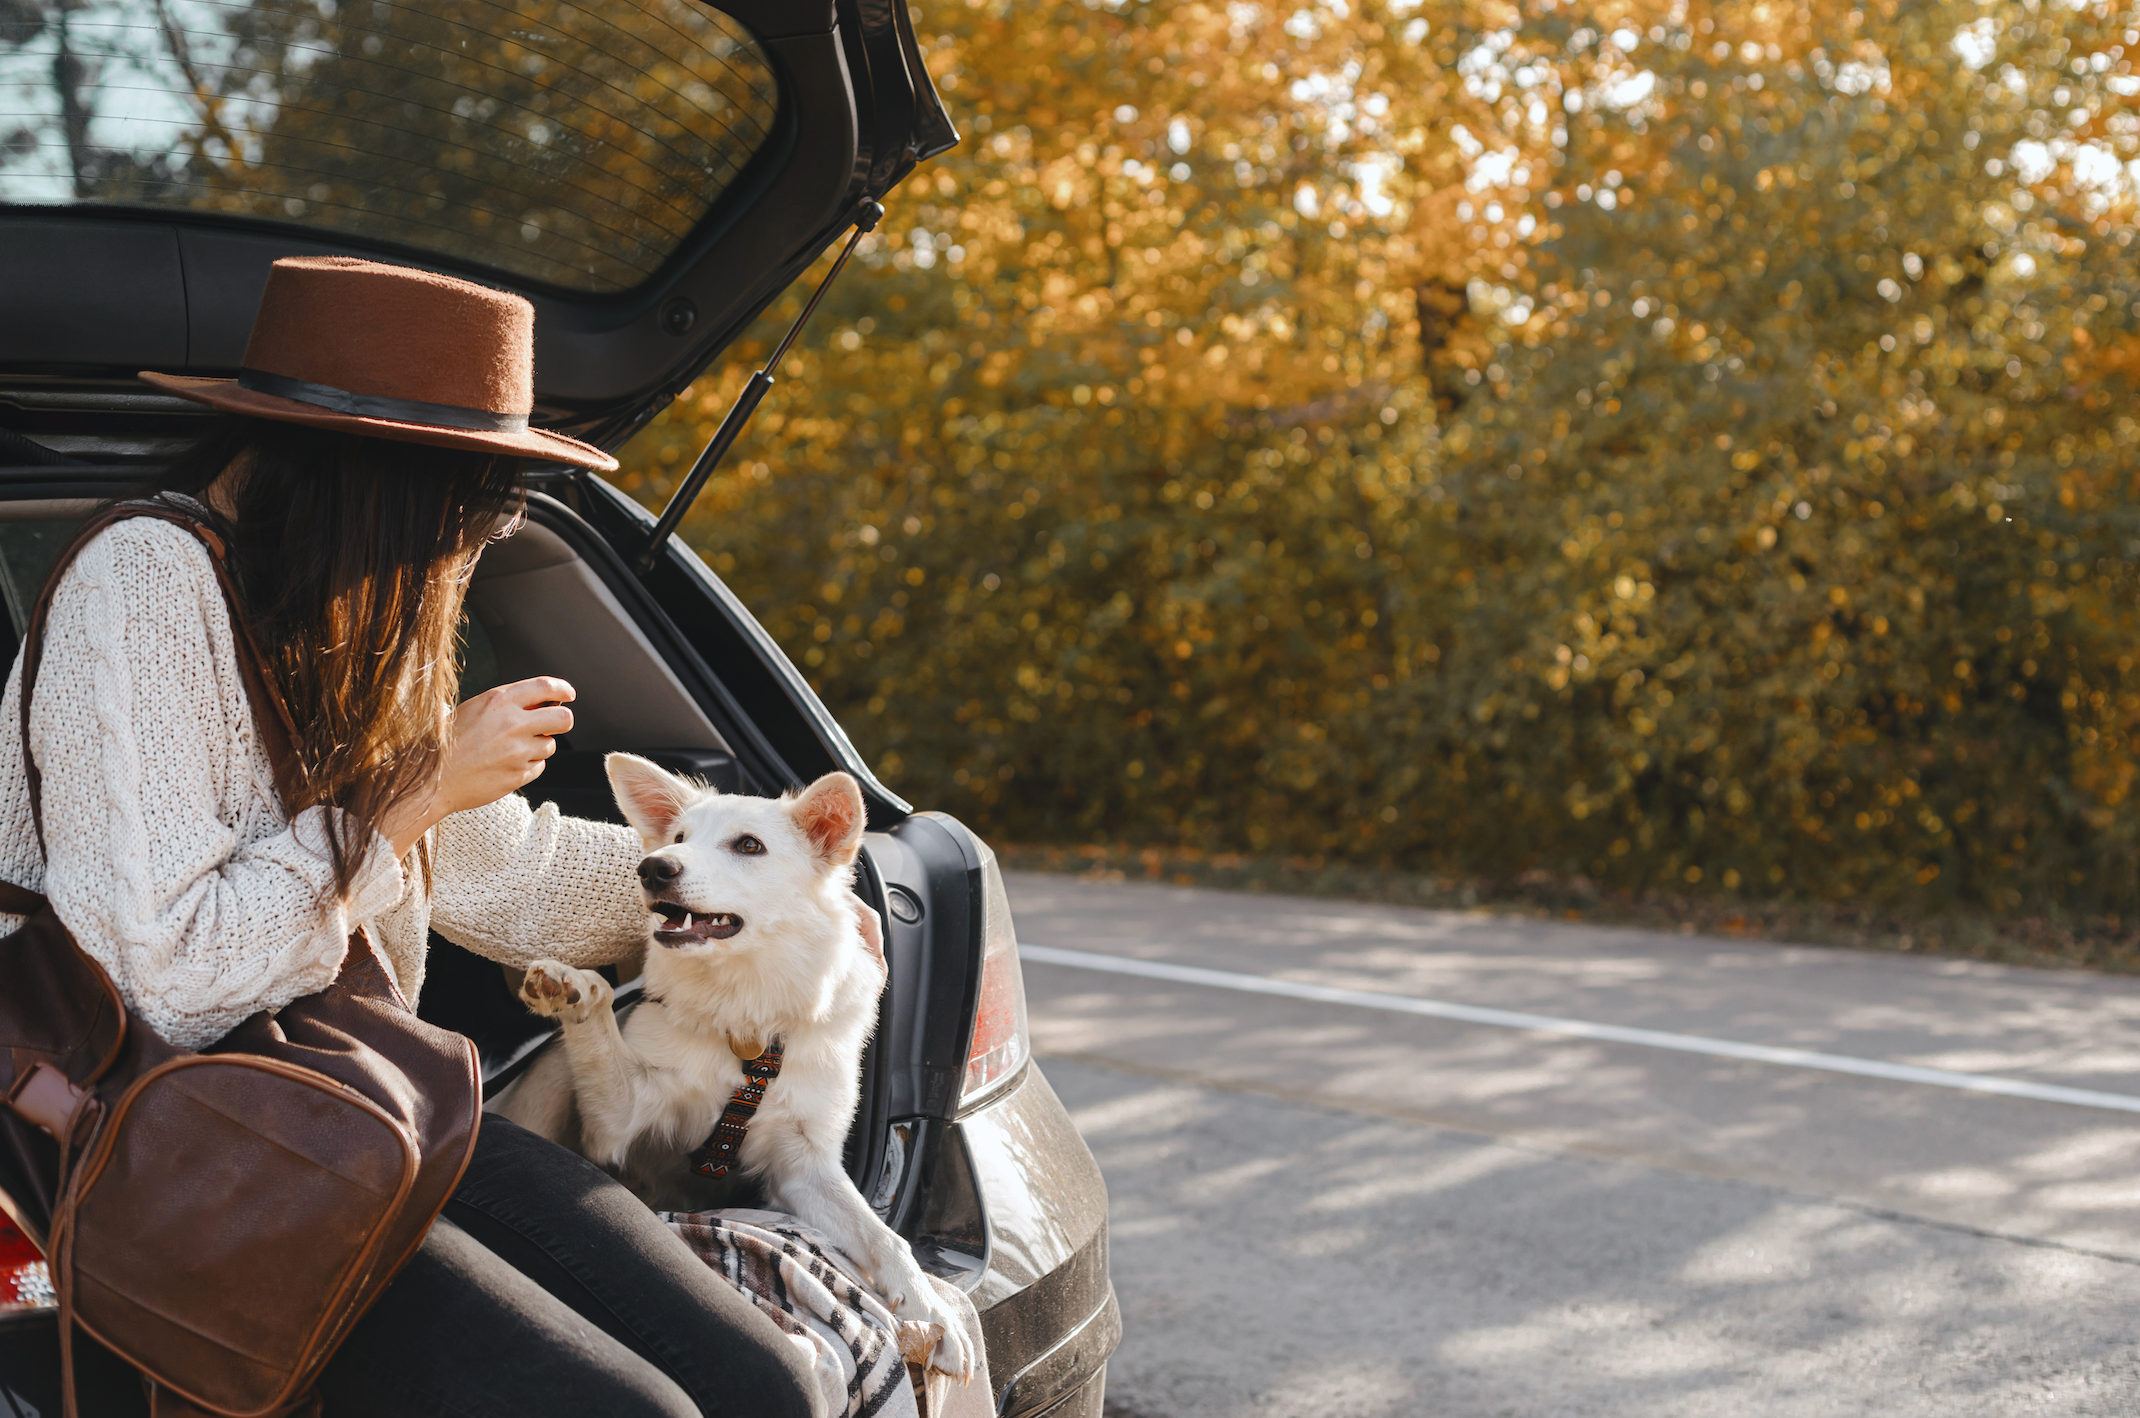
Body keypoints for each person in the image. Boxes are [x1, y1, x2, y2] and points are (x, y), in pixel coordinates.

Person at [0, 256, 819, 1418]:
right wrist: (407, 793)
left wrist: (777, 901)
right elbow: (166, 981)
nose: (471, 547)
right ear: (374, 479)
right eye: (471, 507)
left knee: (766, 1381)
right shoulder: (142, 588)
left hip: (357, 1095)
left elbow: (509, 873)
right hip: (182, 1141)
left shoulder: (330, 625)